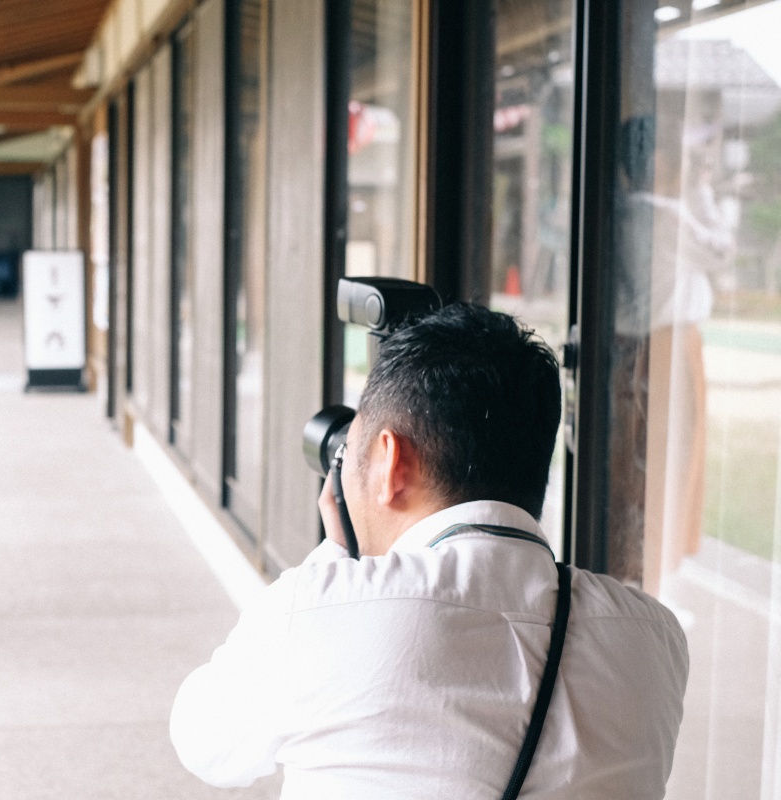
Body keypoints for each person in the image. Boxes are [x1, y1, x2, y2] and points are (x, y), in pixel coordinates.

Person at [170, 305, 689, 798]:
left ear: (392, 461)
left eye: (353, 454)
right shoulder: (653, 639)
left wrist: (335, 563)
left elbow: (201, 740)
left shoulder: (317, 612)